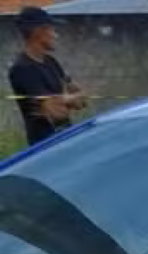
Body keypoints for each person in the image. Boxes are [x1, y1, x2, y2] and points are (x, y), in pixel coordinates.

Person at [8, 6, 86, 148]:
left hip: (66, 139)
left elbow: (81, 100)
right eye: (52, 30)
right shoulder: (22, 69)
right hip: (45, 147)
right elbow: (55, 112)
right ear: (38, 32)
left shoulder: (51, 62)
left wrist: (65, 99)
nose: (56, 35)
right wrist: (67, 99)